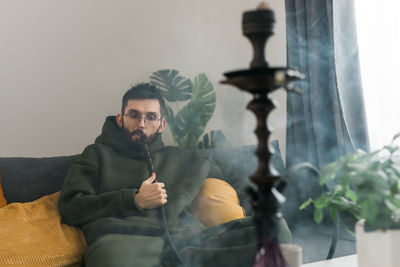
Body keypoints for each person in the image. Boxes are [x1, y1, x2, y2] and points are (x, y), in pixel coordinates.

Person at [58, 83, 290, 267]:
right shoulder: (97, 154)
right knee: (108, 258)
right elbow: (71, 207)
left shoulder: (184, 158)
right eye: (134, 115)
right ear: (120, 119)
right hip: (126, 245)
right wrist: (133, 200)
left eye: (150, 117)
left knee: (274, 228)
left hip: (190, 243)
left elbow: (234, 184)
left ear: (161, 124)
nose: (141, 123)